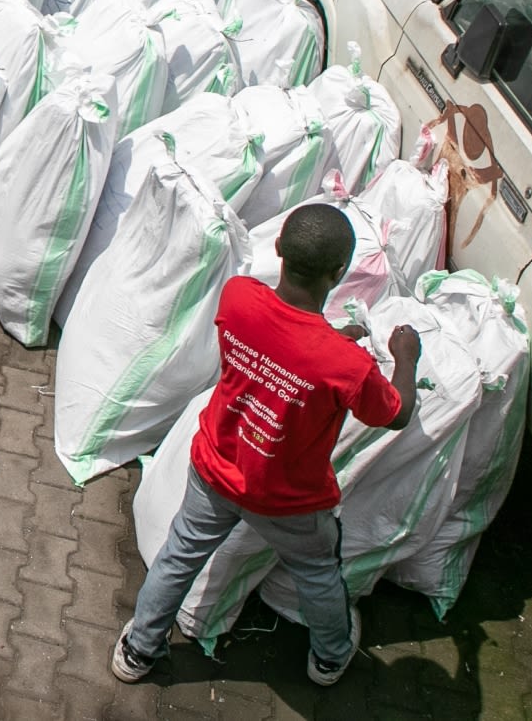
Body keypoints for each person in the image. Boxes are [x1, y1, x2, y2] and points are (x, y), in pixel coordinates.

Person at [112, 203, 423, 687]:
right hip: (289, 501)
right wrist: (406, 357)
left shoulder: (238, 298)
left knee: (180, 556)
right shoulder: (345, 366)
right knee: (317, 573)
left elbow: (281, 345)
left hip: (215, 469)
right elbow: (398, 412)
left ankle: (138, 650)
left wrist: (333, 340)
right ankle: (329, 657)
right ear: (340, 272)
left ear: (278, 249)